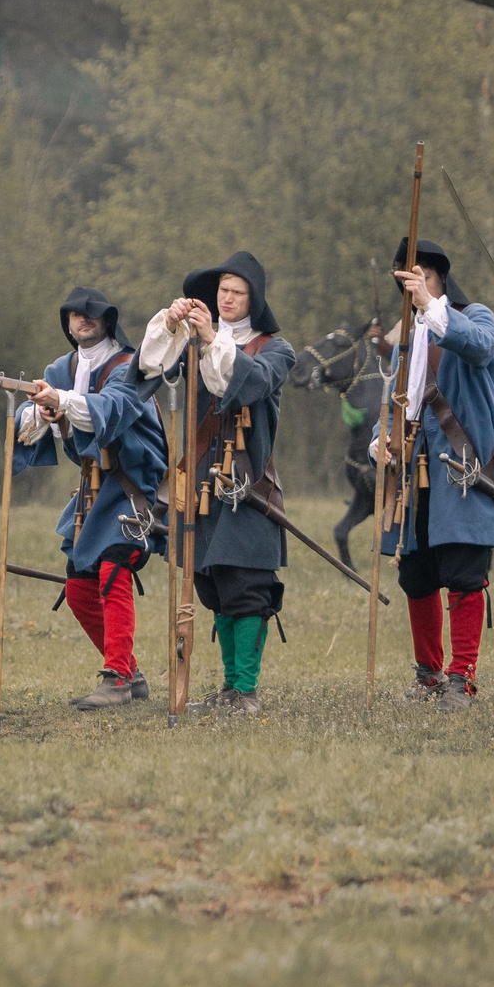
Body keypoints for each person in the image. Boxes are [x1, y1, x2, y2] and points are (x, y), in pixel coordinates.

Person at [367, 239, 494, 704]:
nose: (412, 285)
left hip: (460, 467)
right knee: (416, 575)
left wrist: (430, 308)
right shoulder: (406, 342)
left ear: (438, 278)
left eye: (420, 276)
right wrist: (381, 439)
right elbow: (398, 402)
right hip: (413, 475)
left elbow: (480, 347)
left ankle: (462, 677)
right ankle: (429, 676)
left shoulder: (472, 316)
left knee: (463, 571)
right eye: (405, 279)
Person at [140, 253, 294, 711]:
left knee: (247, 584)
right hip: (202, 480)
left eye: (237, 291)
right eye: (223, 290)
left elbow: (247, 385)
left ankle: (244, 691)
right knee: (212, 583)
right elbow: (149, 368)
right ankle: (229, 688)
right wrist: (171, 327)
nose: (227, 298)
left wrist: (209, 338)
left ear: (254, 300)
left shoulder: (275, 350)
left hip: (248, 483)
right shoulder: (195, 342)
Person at [14, 287, 167, 710]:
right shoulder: (59, 369)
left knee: (114, 568)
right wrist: (40, 411)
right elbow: (29, 427)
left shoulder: (128, 366)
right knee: (80, 586)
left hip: (132, 481)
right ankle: (131, 672)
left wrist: (60, 401)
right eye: (75, 315)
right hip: (92, 487)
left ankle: (116, 677)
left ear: (106, 321)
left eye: (91, 315)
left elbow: (110, 409)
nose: (83, 320)